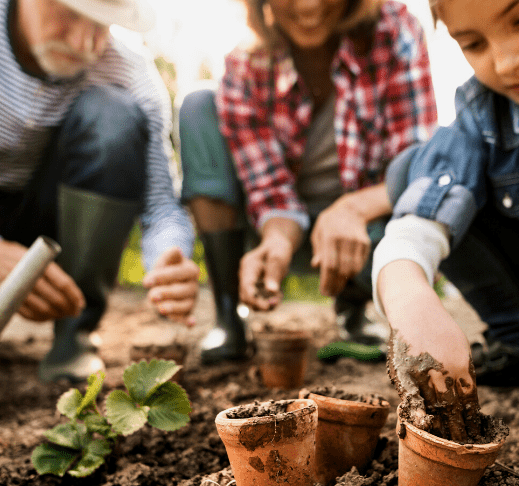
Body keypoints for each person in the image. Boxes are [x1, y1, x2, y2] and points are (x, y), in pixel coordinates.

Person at [374, 0, 519, 441]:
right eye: (473, 43)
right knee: (411, 170)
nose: (506, 62)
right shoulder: (482, 110)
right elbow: (416, 223)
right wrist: (411, 301)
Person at [178, 0, 437, 364]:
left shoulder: (394, 29)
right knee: (198, 105)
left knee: (423, 210)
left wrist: (352, 210)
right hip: (284, 230)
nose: (309, 4)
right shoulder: (245, 64)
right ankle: (228, 311)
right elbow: (269, 190)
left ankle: (355, 307)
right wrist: (278, 239)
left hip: (369, 229)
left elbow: (415, 166)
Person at [0, 0, 199, 382]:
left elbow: (161, 207)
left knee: (114, 116)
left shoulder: (128, 71)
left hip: (52, 219)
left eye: (102, 24)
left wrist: (168, 258)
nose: (83, 42)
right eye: (70, 12)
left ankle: (74, 337)